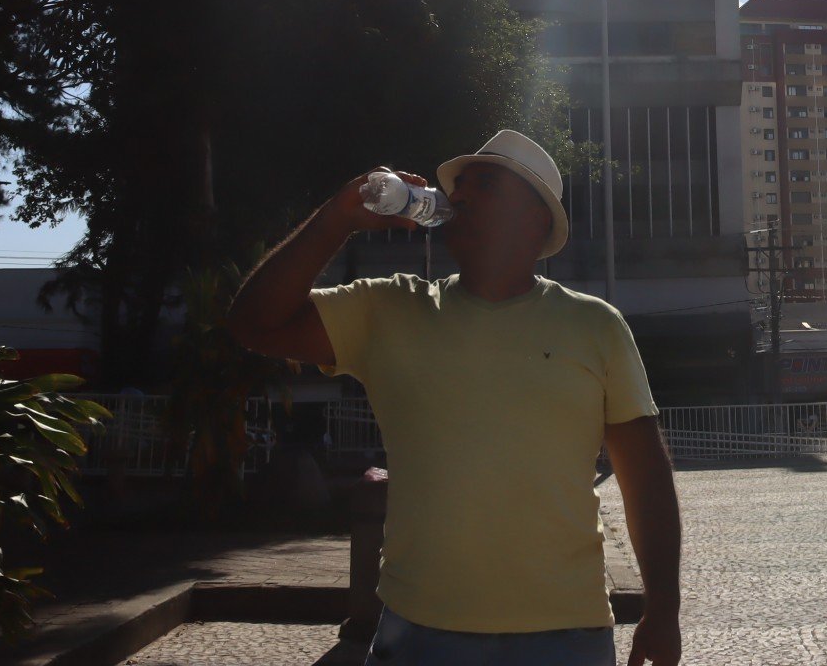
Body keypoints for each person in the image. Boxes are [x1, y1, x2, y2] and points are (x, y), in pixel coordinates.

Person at [229, 130, 682, 666]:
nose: (459, 197)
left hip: (567, 634)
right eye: (458, 188)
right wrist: (336, 220)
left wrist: (665, 610)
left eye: (484, 186)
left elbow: (646, 477)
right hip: (419, 633)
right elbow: (254, 325)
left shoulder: (596, 326)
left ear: (535, 221)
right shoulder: (392, 309)